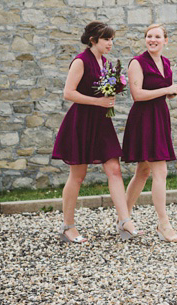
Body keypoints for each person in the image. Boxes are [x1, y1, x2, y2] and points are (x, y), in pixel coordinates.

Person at [51, 22, 141, 242]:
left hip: (102, 123)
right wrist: (98, 101)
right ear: (93, 40)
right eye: (106, 39)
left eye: (112, 40)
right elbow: (68, 93)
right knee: (78, 176)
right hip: (80, 122)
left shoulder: (108, 63)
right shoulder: (80, 62)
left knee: (114, 170)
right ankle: (68, 226)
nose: (110, 44)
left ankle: (124, 221)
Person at [122, 24, 177, 243]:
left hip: (160, 116)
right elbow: (137, 94)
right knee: (160, 171)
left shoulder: (166, 63)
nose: (153, 39)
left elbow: (166, 94)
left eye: (157, 36)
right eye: (149, 36)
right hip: (143, 119)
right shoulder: (137, 63)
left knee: (143, 171)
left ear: (165, 41)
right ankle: (163, 224)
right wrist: (166, 90)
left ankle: (123, 220)